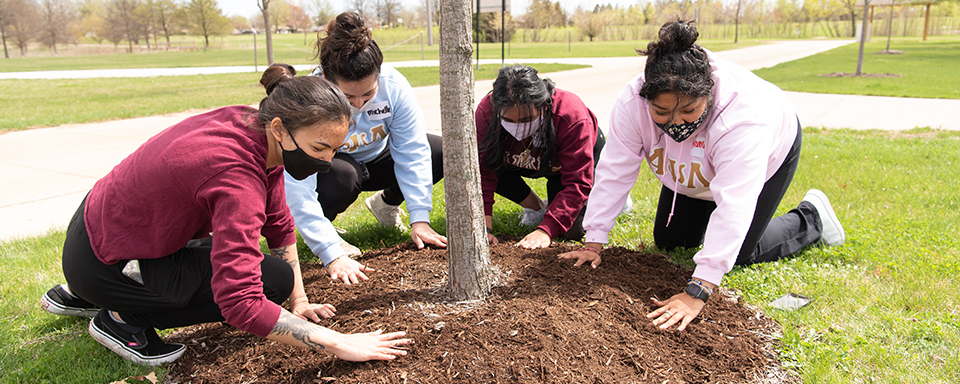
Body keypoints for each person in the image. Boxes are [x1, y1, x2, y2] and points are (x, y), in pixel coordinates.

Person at [39, 64, 412, 366]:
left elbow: (279, 221)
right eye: (319, 147)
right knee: (270, 283)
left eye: (334, 148)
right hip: (104, 260)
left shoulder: (252, 125)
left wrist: (299, 301)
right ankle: (121, 317)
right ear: (281, 129)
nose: (327, 161)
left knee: (280, 280)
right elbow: (240, 303)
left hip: (100, 232)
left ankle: (97, 290)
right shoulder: (235, 178)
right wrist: (339, 343)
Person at [558, 20, 845, 331]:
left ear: (708, 95)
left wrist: (699, 289)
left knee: (740, 253)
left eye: (688, 111)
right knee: (671, 241)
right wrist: (594, 240)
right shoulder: (632, 103)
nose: (675, 123)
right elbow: (615, 170)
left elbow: (736, 201)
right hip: (691, 173)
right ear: (647, 100)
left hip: (772, 148)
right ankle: (714, 227)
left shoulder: (744, 118)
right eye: (662, 113)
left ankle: (811, 218)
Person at [284, 11, 446, 285]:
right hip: (336, 167)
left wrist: (420, 218)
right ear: (325, 78)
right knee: (343, 177)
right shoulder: (309, 99)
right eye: (348, 97)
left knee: (439, 152)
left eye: (368, 94)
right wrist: (330, 251)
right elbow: (296, 183)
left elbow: (412, 149)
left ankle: (385, 204)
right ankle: (327, 231)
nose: (359, 104)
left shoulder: (394, 85)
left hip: (378, 159)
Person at [476, 65, 605, 249]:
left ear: (543, 106)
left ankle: (607, 196)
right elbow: (483, 170)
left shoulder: (571, 115)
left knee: (570, 231)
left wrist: (545, 230)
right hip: (523, 159)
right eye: (509, 121)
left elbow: (577, 182)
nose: (518, 129)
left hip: (564, 164)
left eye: (526, 120)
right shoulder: (486, 112)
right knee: (492, 164)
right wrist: (484, 227)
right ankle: (537, 206)